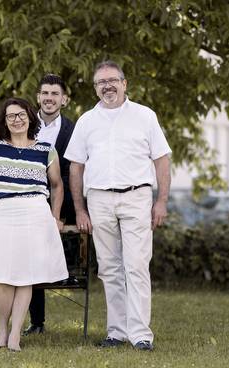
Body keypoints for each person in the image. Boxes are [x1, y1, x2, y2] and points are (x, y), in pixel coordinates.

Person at [64, 61, 172, 351]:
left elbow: (162, 159)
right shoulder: (87, 120)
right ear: (95, 88)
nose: (107, 86)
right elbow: (76, 168)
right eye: (101, 82)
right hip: (98, 199)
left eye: (112, 80)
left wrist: (161, 201)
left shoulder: (144, 116)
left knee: (136, 265)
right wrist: (80, 209)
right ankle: (116, 331)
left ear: (125, 83)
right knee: (109, 268)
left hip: (137, 196)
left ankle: (141, 335)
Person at [0, 97, 68, 351]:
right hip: (2, 212)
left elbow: (57, 185)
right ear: (4, 121)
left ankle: (15, 335)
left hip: (35, 213)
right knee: (3, 276)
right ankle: (2, 330)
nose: (17, 120)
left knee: (26, 276)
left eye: (21, 115)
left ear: (30, 117)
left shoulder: (46, 149)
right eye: (11, 116)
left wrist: (55, 216)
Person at [24, 74, 76, 336]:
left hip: (63, 205)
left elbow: (75, 172)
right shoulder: (24, 125)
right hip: (28, 202)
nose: (49, 98)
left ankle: (71, 277)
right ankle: (37, 321)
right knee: (30, 259)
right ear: (38, 97)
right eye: (45, 93)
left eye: (55, 94)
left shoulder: (74, 129)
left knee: (59, 260)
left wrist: (65, 211)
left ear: (63, 99)